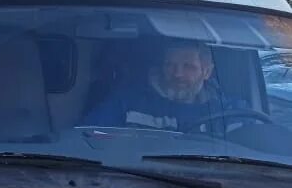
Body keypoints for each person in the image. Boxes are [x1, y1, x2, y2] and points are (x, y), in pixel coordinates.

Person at [84, 40, 239, 133]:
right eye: (170, 65)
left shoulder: (230, 112)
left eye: (188, 67)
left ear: (207, 72)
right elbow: (86, 135)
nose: (177, 74)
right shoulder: (128, 103)